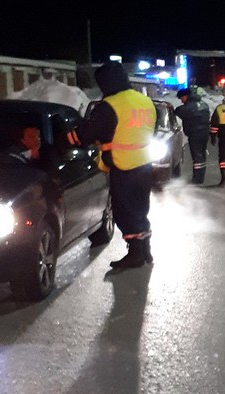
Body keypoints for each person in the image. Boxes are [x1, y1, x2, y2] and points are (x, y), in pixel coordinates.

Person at [66, 61, 156, 269]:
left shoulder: (110, 105)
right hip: (144, 164)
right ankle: (145, 250)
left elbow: (85, 135)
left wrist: (71, 133)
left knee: (125, 211)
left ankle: (135, 254)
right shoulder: (144, 101)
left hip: (123, 166)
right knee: (141, 209)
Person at [174, 87, 211, 184]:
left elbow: (179, 111)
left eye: (182, 98)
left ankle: (197, 179)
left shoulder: (190, 106)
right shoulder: (203, 104)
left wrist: (175, 110)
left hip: (195, 133)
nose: (181, 101)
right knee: (202, 155)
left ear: (186, 96)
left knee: (197, 156)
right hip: (205, 132)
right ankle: (201, 177)